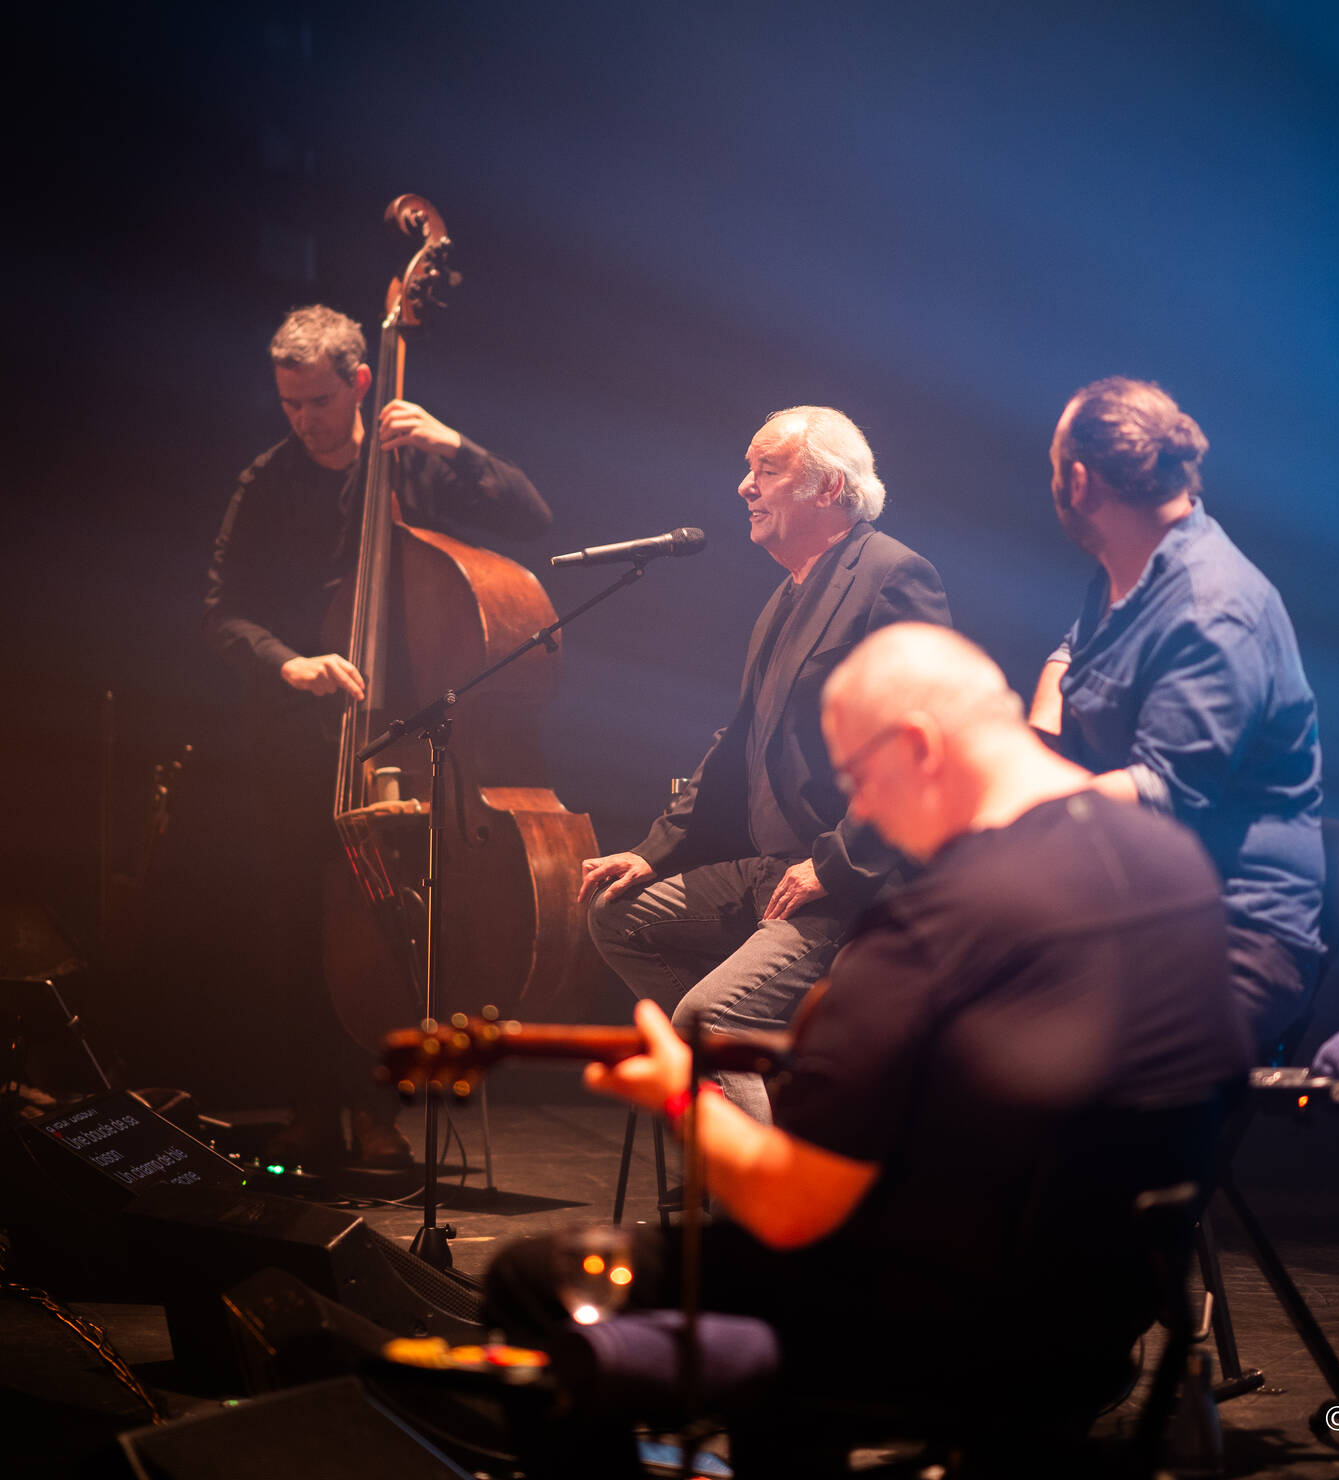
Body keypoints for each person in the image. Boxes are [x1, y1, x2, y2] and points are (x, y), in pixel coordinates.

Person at [486, 624, 1251, 1470]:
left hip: (937, 1335)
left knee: (532, 1281)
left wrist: (678, 1092)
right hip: (1098, 1325)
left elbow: (788, 1207)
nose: (864, 815)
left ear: (918, 745)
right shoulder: (1176, 865)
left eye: (856, 781)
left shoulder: (938, 923)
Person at [203, 304, 552, 1168]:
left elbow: (534, 519)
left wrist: (455, 445)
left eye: (318, 401)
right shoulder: (267, 481)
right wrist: (290, 662)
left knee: (397, 931)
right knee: (299, 931)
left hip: (412, 739)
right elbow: (222, 611)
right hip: (301, 740)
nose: (303, 419)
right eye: (289, 403)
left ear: (362, 381)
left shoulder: (415, 465)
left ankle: (381, 1113)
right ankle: (313, 1108)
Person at [579, 406, 948, 1123]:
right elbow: (738, 745)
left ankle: (753, 1177)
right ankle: (753, 1084)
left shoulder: (894, 576)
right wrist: (654, 853)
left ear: (829, 487)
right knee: (618, 912)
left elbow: (916, 745)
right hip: (770, 870)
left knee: (707, 1020)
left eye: (766, 470)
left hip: (849, 883)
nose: (744, 486)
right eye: (750, 470)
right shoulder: (786, 594)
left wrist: (833, 866)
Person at [1029, 375, 1324, 1050]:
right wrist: (1037, 738)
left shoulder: (1213, 612)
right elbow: (1073, 651)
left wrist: (1018, 802)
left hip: (1232, 936)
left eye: (1054, 470)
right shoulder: (1128, 565)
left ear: (1080, 483)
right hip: (1143, 911)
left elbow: (1163, 795)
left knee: (1022, 1055)